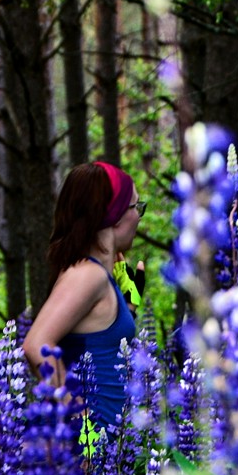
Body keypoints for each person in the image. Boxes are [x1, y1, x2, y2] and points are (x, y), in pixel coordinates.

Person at [24, 161, 143, 427]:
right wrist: (78, 419)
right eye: (137, 207)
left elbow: (99, 344)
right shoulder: (88, 275)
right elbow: (36, 345)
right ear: (115, 215)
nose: (138, 217)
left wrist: (127, 307)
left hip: (106, 449)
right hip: (83, 451)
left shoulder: (98, 274)